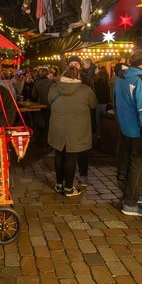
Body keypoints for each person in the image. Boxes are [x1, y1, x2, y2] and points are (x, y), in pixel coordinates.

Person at [114, 51, 142, 217]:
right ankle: (130, 203)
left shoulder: (120, 78)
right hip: (137, 130)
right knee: (136, 166)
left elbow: (116, 101)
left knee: (126, 164)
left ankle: (132, 193)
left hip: (124, 127)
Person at [48, 66, 97, 196]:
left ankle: (59, 185)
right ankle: (69, 188)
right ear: (78, 76)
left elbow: (49, 101)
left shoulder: (53, 88)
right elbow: (93, 104)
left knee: (59, 154)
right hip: (77, 129)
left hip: (57, 127)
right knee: (71, 157)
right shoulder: (85, 90)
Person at [93, 66, 111, 135]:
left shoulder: (97, 80)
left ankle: (99, 134)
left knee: (98, 119)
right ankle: (104, 134)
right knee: (104, 119)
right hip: (105, 102)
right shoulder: (105, 79)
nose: (95, 69)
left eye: (96, 68)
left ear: (100, 70)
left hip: (99, 102)